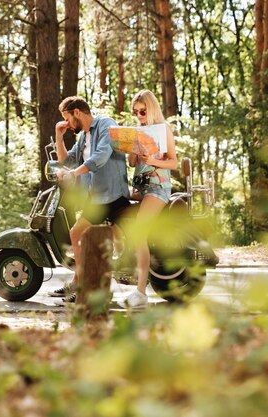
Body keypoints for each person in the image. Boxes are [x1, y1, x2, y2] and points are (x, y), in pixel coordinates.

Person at [50, 96, 130, 305]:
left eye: (67, 118)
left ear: (77, 112)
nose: (67, 123)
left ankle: (84, 286)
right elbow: (66, 161)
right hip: (96, 198)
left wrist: (73, 174)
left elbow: (101, 157)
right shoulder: (83, 137)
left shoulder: (106, 125)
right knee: (90, 238)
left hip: (110, 196)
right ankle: (80, 283)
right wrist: (59, 137)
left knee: (78, 234)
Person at [120, 89, 178, 309]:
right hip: (140, 188)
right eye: (135, 112)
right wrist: (134, 152)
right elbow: (133, 164)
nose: (138, 115)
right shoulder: (138, 130)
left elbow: (173, 162)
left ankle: (141, 292)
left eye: (142, 111)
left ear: (151, 108)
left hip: (158, 187)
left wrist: (153, 162)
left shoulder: (163, 129)